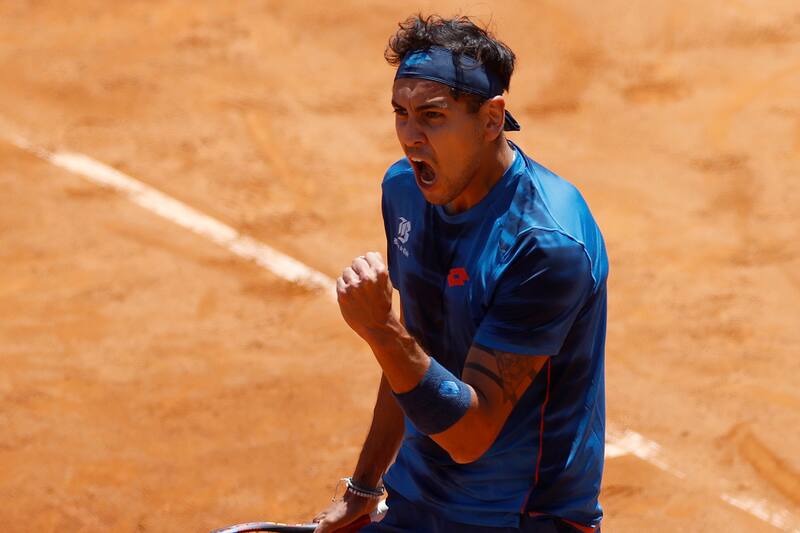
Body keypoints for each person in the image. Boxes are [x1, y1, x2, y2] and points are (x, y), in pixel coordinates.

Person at [314, 14, 608, 533]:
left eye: (432, 116)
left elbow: (471, 436)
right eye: (400, 114)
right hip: (416, 506)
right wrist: (364, 486)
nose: (410, 136)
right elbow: (415, 351)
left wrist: (381, 329)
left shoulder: (544, 244)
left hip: (521, 520)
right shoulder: (405, 190)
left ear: (492, 118)